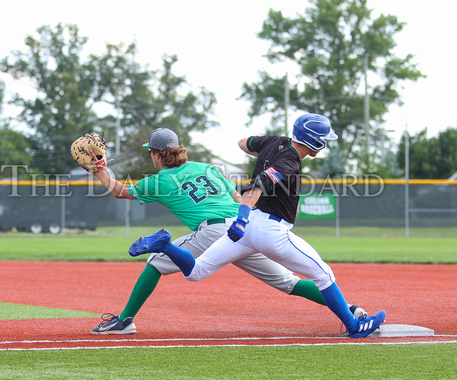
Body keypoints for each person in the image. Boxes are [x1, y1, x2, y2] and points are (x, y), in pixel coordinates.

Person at [90, 127, 367, 335]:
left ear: (157, 153)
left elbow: (119, 191)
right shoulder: (210, 168)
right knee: (289, 282)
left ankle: (125, 320)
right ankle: (350, 309)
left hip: (211, 232)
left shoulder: (159, 180)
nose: (150, 155)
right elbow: (238, 197)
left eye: (150, 151)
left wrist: (100, 170)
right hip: (243, 228)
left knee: (156, 263)